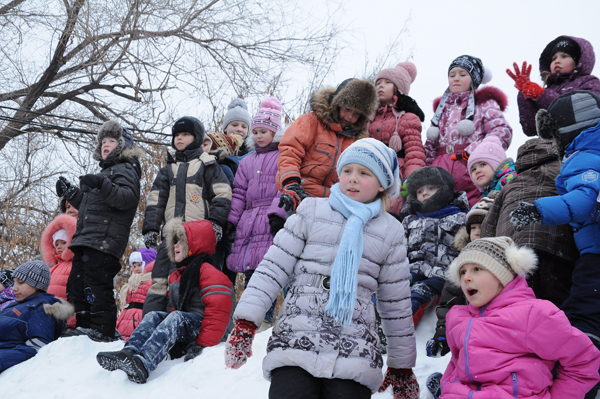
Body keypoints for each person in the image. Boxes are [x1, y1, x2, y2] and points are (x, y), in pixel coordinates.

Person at [225, 138, 419, 399]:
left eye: (364, 173)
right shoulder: (312, 210)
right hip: (296, 339)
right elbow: (272, 268)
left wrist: (401, 365)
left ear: (383, 184)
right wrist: (247, 322)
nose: (352, 178)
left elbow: (396, 302)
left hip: (354, 349)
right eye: (348, 170)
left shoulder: (390, 231)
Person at [426, 237, 600, 399]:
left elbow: (583, 362)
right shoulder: (458, 317)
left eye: (477, 269)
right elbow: (456, 365)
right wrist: (447, 385)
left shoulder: (533, 314)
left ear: (502, 276)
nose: (466, 277)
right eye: (462, 272)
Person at [510, 90, 600, 398]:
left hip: (596, 254)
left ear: (567, 131)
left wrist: (539, 209)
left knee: (583, 308)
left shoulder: (584, 156)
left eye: (552, 137)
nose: (551, 145)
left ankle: (583, 366)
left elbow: (583, 200)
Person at [97, 219, 232, 384]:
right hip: (189, 324)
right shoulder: (178, 275)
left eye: (180, 241)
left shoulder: (210, 273)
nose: (175, 246)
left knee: (176, 318)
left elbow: (219, 313)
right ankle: (129, 352)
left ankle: (144, 362)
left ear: (195, 244)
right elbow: (177, 308)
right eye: (174, 242)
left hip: (208, 330)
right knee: (154, 315)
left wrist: (202, 345)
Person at [56, 120, 143, 342]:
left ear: (123, 145)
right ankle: (84, 326)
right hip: (87, 239)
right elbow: (87, 204)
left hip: (105, 240)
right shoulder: (105, 172)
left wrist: (100, 184)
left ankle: (102, 329)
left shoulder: (127, 169)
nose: (106, 145)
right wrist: (71, 193)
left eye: (112, 141)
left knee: (97, 283)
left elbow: (125, 198)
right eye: (103, 141)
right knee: (77, 284)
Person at [142, 116, 232, 315]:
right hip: (169, 237)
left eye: (185, 134)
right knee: (159, 279)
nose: (179, 138)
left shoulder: (208, 164)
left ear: (197, 137)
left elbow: (223, 193)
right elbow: (156, 199)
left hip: (196, 236)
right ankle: (151, 321)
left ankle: (184, 321)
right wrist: (150, 227)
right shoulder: (167, 170)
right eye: (176, 135)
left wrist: (215, 223)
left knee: (189, 279)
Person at [482, 138, 578, 307]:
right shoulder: (565, 171)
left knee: (522, 304)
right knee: (557, 301)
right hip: (557, 246)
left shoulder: (510, 184)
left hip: (516, 256)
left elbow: (488, 228)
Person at [276, 78, 377, 216]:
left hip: (335, 201)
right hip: (302, 193)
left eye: (356, 114)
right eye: (347, 109)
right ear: (337, 103)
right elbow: (290, 151)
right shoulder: (312, 121)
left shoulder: (358, 140)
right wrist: (291, 183)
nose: (349, 116)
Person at [226, 97, 285, 333]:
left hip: (270, 219)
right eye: (257, 131)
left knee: (267, 270)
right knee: (250, 269)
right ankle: (248, 319)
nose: (260, 136)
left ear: (275, 133)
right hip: (248, 222)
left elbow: (284, 187)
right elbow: (239, 193)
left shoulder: (282, 155)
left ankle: (265, 317)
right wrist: (231, 221)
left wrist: (278, 214)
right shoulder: (247, 161)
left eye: (265, 132)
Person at [425, 55, 512, 207]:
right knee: (439, 213)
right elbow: (431, 144)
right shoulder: (442, 110)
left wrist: (476, 151)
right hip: (440, 170)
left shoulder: (484, 103)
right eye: (452, 75)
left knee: (474, 211)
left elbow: (501, 130)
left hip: (470, 166)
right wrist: (426, 169)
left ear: (474, 79)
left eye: (462, 74)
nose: (456, 78)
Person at [400, 166, 468, 326]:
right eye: (419, 190)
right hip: (413, 270)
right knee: (390, 290)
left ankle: (401, 328)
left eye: (431, 188)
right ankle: (375, 323)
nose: (424, 193)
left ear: (444, 189)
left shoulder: (459, 218)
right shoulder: (409, 220)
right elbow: (400, 248)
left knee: (417, 295)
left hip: (441, 274)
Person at [425, 196, 492, 358]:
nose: (477, 231)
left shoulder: (503, 259)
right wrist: (442, 332)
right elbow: (450, 300)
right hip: (469, 326)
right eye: (473, 227)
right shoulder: (461, 261)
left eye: (482, 226)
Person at [507, 35, 600, 137]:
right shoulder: (548, 90)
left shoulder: (589, 82)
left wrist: (542, 95)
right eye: (553, 58)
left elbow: (581, 113)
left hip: (583, 139)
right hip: (552, 144)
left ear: (577, 61)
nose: (557, 61)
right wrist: (525, 93)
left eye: (564, 56)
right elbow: (531, 128)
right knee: (528, 149)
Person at [368, 62, 426, 213]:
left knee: (390, 209)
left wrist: (411, 182)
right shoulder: (369, 117)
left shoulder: (408, 118)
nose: (380, 86)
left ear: (399, 88)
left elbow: (414, 154)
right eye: (378, 83)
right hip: (370, 168)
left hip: (396, 172)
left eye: (387, 82)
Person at [0, 261, 74, 372]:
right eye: (14, 282)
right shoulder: (18, 304)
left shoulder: (40, 309)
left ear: (37, 285)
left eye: (20, 283)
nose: (14, 288)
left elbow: (39, 346)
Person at [41, 213, 77, 329]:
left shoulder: (74, 265)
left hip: (66, 318)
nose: (59, 246)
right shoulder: (51, 267)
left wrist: (72, 319)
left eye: (63, 242)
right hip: (48, 317)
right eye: (56, 243)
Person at [116, 248, 157, 341]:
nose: (136, 268)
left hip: (138, 320)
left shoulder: (151, 282)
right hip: (125, 320)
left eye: (139, 265)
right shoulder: (132, 283)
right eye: (134, 266)